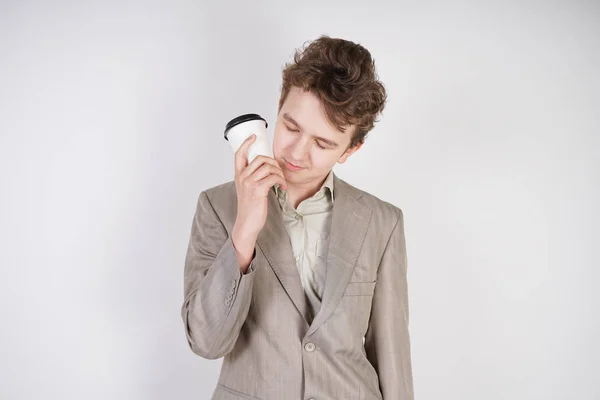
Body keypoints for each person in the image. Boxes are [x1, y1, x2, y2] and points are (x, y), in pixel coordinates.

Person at [181, 35, 414, 400]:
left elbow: (393, 357)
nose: (297, 153)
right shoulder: (217, 205)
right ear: (278, 107)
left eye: (322, 144)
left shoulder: (382, 222)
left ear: (351, 150)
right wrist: (245, 229)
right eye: (290, 127)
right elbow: (206, 342)